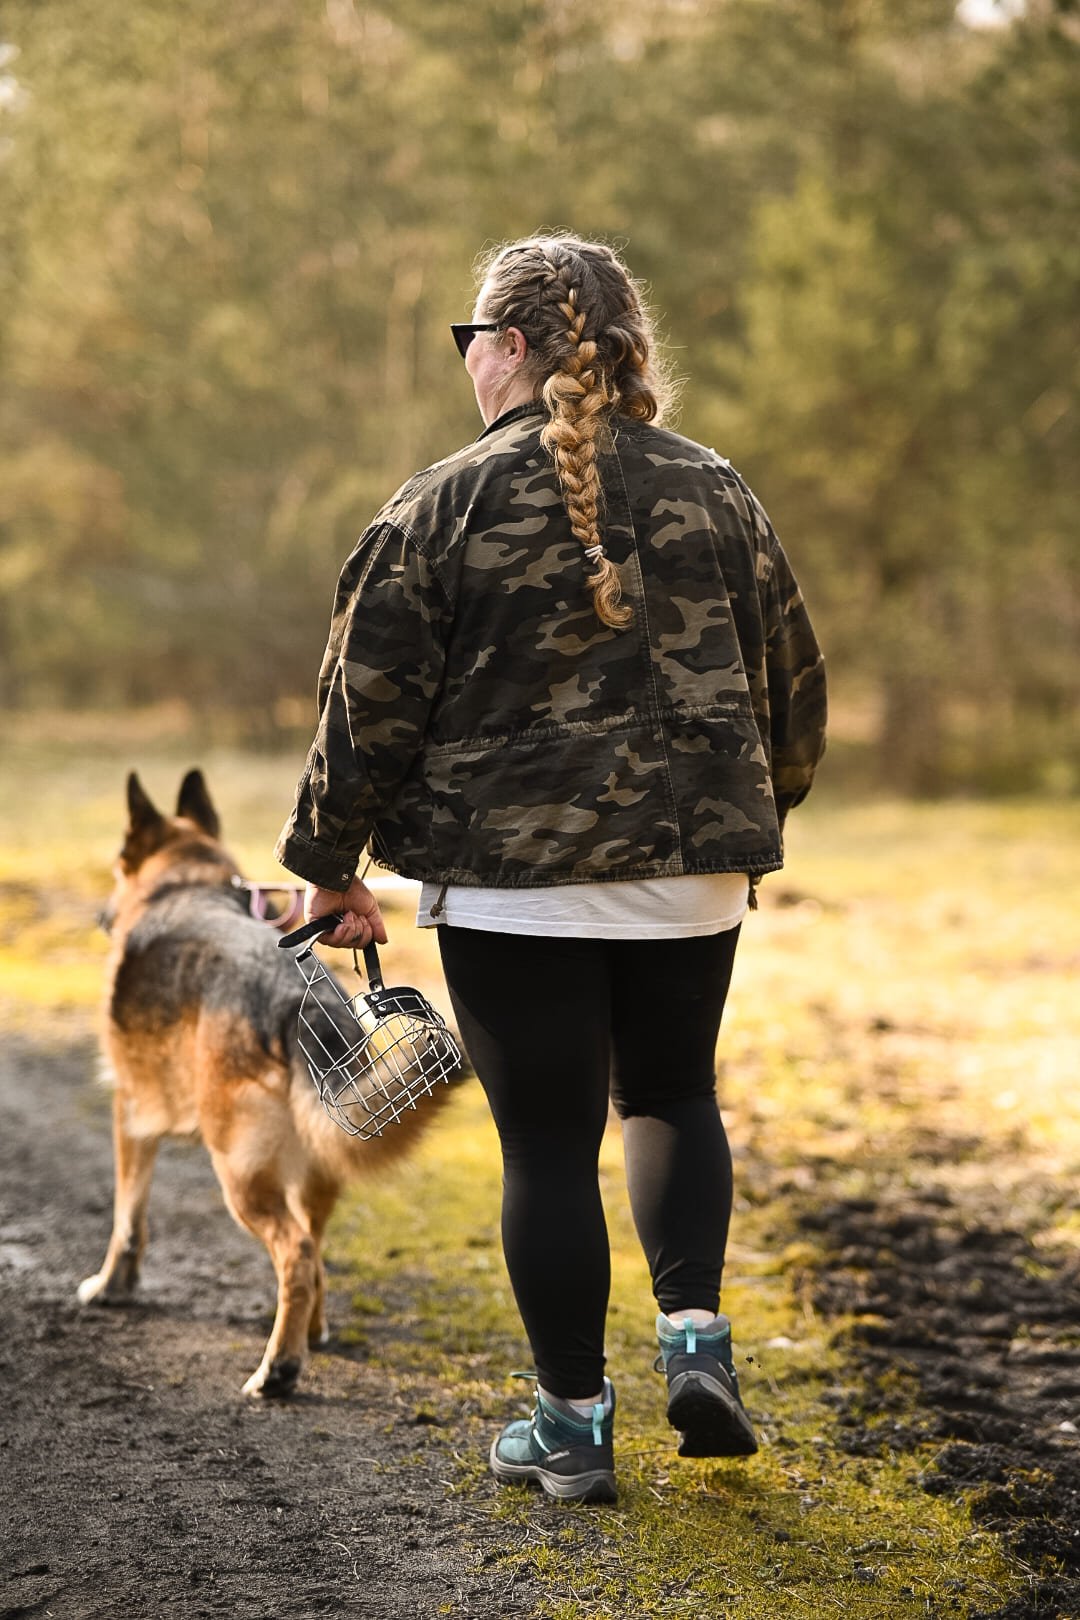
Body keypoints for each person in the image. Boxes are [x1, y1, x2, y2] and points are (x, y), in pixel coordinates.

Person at [275, 233, 826, 1503]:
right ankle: (697, 1343)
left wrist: (328, 865)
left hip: (514, 886)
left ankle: (573, 1426)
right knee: (674, 1097)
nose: (469, 365)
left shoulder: (442, 501)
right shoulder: (719, 490)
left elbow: (366, 705)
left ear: (508, 348)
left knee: (547, 1149)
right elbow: (794, 684)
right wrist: (748, 822)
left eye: (473, 342)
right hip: (692, 879)